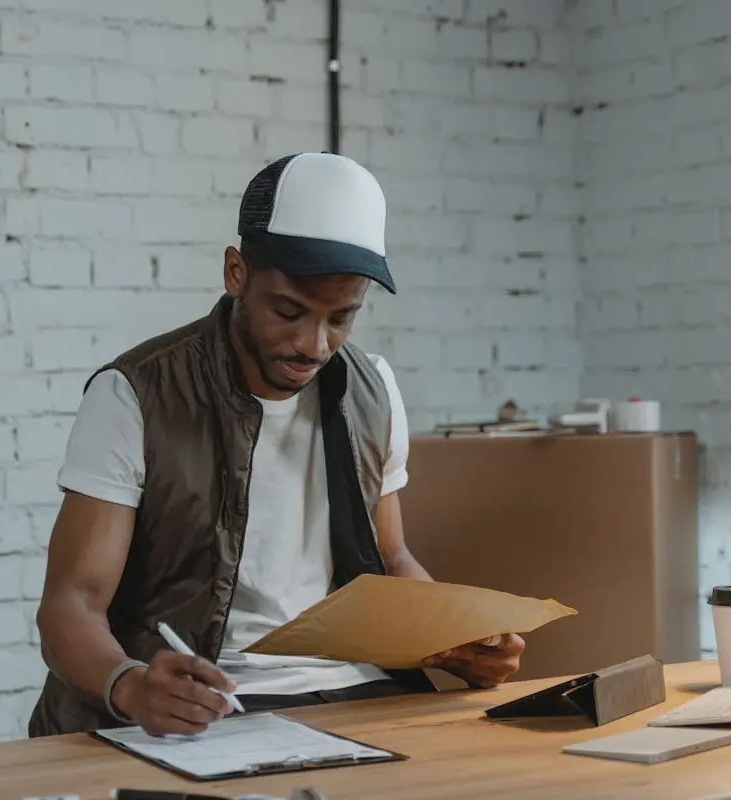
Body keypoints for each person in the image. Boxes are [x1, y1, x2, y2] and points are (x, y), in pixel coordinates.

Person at [28, 152, 525, 738]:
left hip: (356, 690)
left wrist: (456, 637)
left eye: (341, 318)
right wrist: (131, 685)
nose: (314, 345)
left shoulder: (372, 390)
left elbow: (392, 561)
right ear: (236, 273)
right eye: (289, 311)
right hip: (215, 699)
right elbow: (71, 605)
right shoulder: (136, 394)